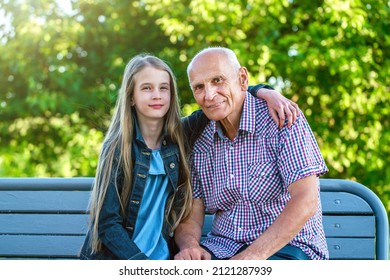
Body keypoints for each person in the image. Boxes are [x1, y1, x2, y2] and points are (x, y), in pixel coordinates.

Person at [78, 53, 298, 260]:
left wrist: (266, 92)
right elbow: (107, 223)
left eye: (164, 88)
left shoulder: (181, 135)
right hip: (120, 260)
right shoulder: (118, 148)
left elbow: (226, 95)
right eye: (146, 88)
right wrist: (141, 266)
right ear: (131, 97)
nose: (157, 95)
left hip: (164, 260)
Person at [175, 47, 329, 260]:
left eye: (218, 80)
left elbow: (306, 199)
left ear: (242, 78)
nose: (209, 95)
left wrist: (251, 258)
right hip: (222, 248)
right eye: (199, 87)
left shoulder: (282, 118)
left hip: (288, 249)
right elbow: (192, 212)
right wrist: (190, 246)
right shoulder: (199, 139)